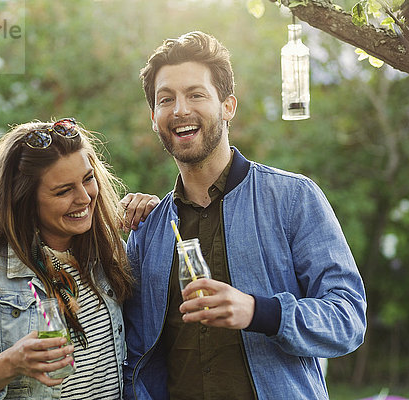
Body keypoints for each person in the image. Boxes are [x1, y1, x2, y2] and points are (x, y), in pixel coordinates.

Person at [123, 31, 367, 399]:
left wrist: (260, 312)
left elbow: (347, 319)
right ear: (153, 117)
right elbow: (131, 352)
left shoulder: (293, 198)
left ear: (228, 106)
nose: (180, 110)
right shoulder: (147, 232)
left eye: (196, 94)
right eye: (166, 99)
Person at [0, 118, 158, 399]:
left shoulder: (108, 253)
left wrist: (158, 218)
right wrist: (9, 364)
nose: (84, 198)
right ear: (25, 199)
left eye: (88, 178)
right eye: (63, 191)